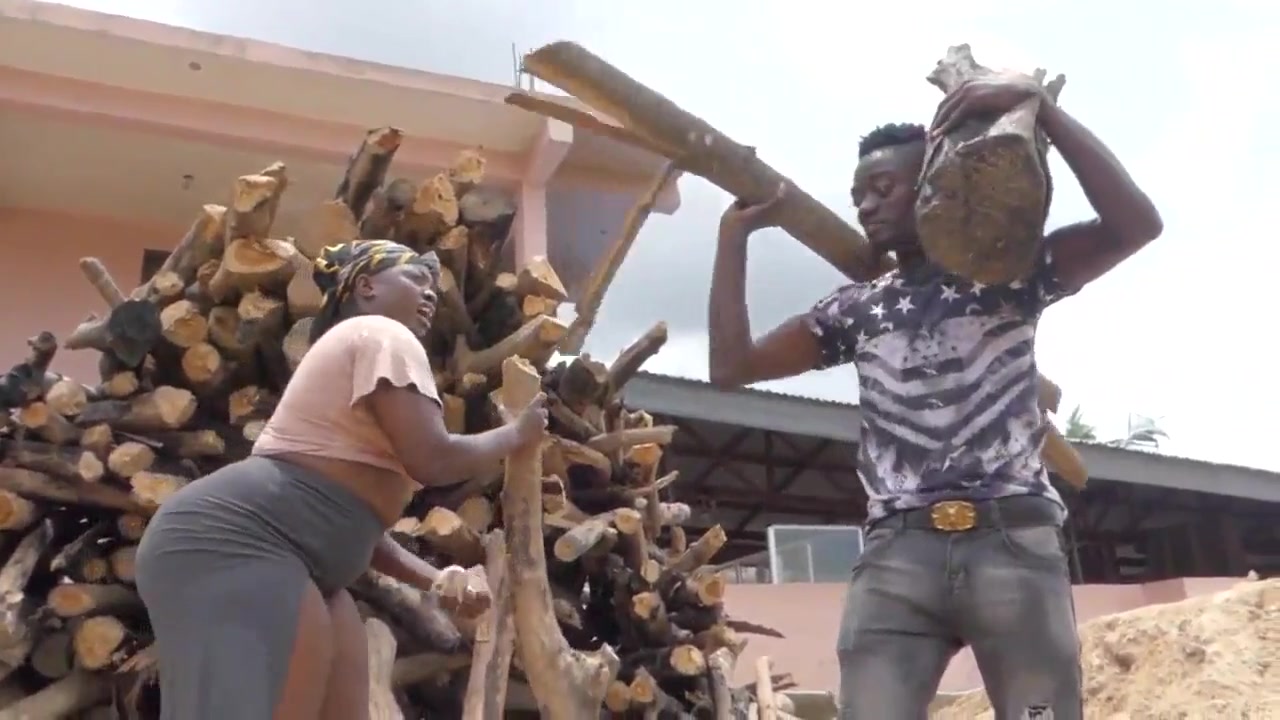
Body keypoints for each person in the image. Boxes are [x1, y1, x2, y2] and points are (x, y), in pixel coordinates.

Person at [707, 79, 1162, 718]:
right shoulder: (857, 309)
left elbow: (1137, 225)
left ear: (934, 183)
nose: (866, 206)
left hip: (1010, 540)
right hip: (897, 552)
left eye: (882, 188)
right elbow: (732, 366)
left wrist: (1045, 109)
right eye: (858, 196)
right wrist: (733, 239)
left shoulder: (1011, 273)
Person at [135, 240, 548, 720]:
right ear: (366, 287)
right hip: (229, 545)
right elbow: (433, 460)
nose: (430, 292)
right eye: (415, 278)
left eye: (433, 285)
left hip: (276, 550)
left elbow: (350, 521)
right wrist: (516, 434)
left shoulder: (355, 361)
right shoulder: (380, 335)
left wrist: (436, 579)